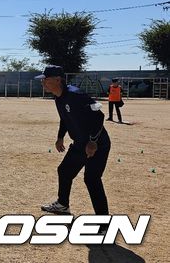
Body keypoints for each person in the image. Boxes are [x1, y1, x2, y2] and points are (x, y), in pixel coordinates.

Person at [36, 66, 111, 226]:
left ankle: (104, 224)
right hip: (80, 143)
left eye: (46, 79)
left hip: (97, 143)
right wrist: (60, 137)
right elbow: (65, 118)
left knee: (91, 179)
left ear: (58, 80)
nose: (43, 83)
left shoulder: (76, 95)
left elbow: (99, 115)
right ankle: (63, 205)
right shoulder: (58, 97)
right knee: (64, 171)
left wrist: (93, 142)